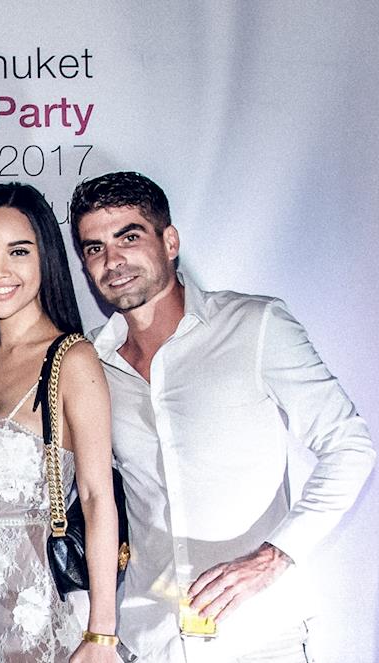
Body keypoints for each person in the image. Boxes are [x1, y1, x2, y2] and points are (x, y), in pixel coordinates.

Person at [70, 171, 375, 662]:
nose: (113, 260)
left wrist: (272, 558)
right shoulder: (91, 365)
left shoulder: (255, 326)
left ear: (170, 242)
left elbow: (351, 447)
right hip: (151, 641)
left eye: (129, 237)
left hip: (259, 639)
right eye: (95, 248)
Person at [0, 183, 121, 663]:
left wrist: (101, 633)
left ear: (46, 258)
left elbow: (97, 496)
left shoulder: (73, 358)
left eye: (18, 251)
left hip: (40, 611)